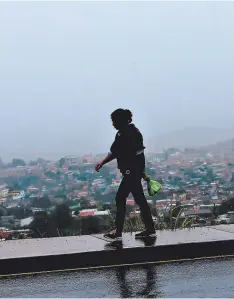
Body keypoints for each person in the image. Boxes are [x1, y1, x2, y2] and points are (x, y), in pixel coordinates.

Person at [95, 108, 156, 240]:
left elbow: (115, 152)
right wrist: (141, 171)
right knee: (140, 199)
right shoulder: (135, 132)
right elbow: (139, 153)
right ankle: (150, 228)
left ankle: (118, 231)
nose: (113, 124)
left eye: (114, 121)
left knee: (120, 198)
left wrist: (102, 162)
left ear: (120, 121)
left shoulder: (123, 134)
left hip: (130, 172)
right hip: (135, 171)